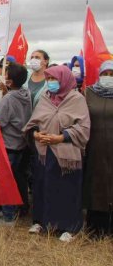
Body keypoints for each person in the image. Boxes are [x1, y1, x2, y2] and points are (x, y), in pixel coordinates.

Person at [24, 65, 90, 242]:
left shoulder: (76, 99)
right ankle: (42, 222)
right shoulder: (45, 98)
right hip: (44, 151)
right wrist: (36, 134)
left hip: (66, 152)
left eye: (54, 79)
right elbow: (34, 122)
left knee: (66, 190)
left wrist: (61, 138)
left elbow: (83, 127)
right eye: (49, 79)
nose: (51, 83)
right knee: (42, 186)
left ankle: (69, 227)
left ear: (65, 79)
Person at [0, 63, 32, 225]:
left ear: (10, 79)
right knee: (13, 178)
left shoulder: (8, 99)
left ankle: (8, 216)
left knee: (5, 181)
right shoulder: (25, 93)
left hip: (7, 144)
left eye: (6, 74)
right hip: (20, 143)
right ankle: (10, 211)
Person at [83, 60, 113, 237]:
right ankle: (96, 228)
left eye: (111, 75)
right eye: (105, 74)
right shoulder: (89, 93)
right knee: (96, 186)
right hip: (95, 147)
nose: (108, 78)